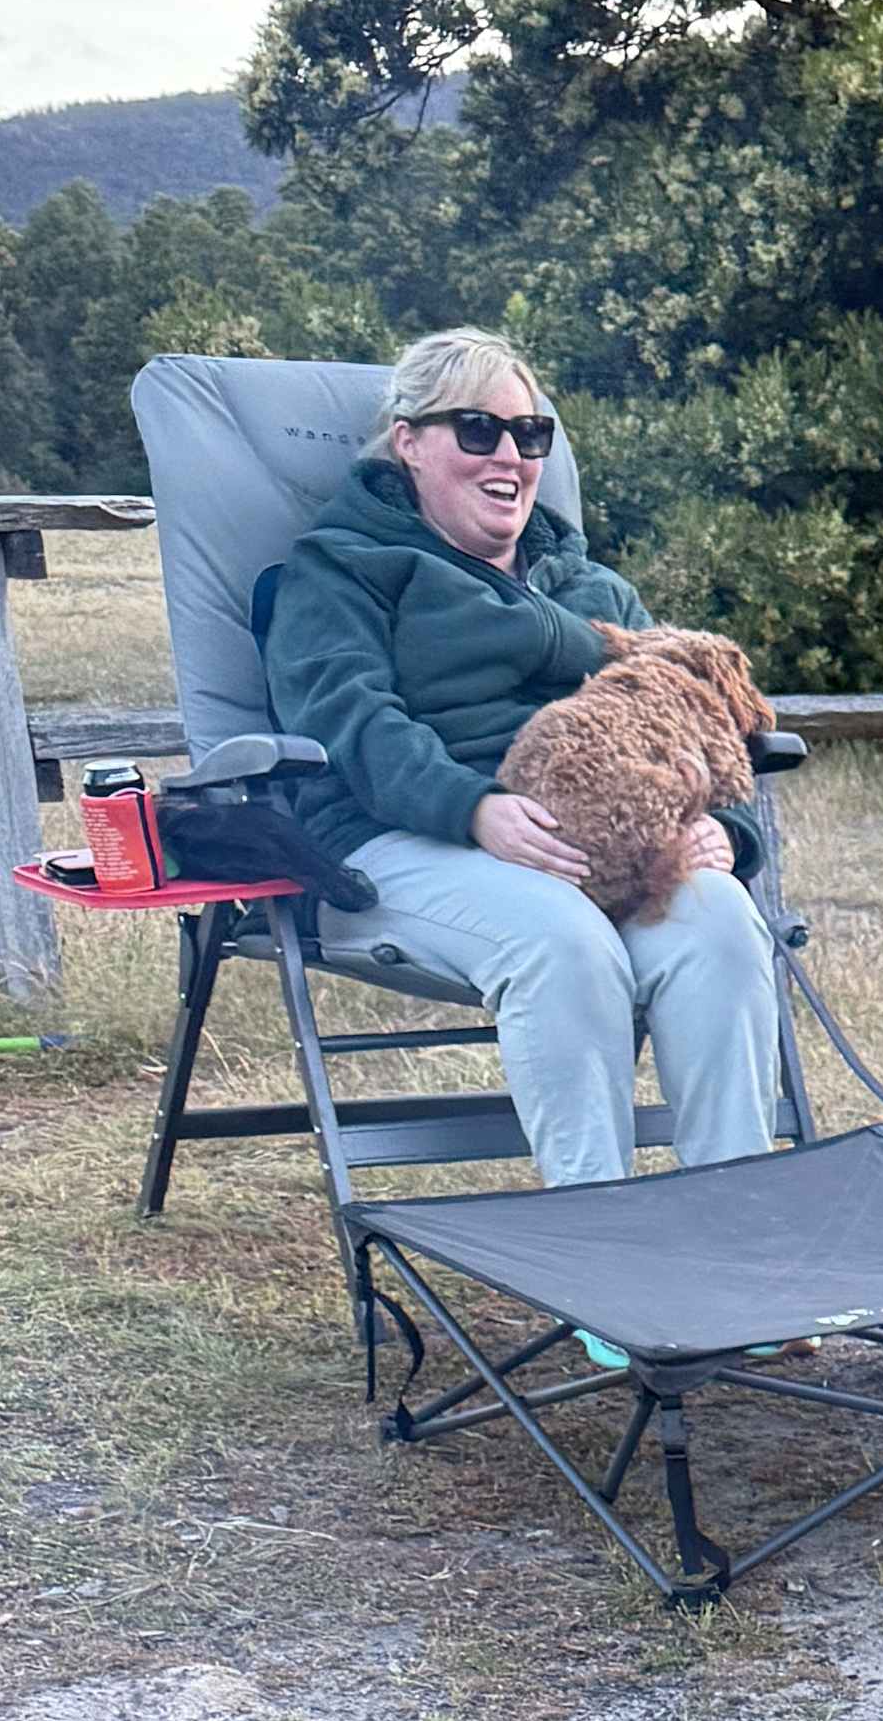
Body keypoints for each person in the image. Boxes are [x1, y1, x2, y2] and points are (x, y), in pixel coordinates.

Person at [260, 328, 783, 1193]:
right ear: (410, 442)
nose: (509, 454)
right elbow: (348, 721)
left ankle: (741, 1231)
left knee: (721, 920)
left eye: (530, 434)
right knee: (559, 936)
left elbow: (690, 723)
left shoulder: (597, 593)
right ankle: (599, 1245)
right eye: (477, 430)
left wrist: (723, 832)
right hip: (396, 842)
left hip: (594, 854)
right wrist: (474, 808)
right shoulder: (343, 569)